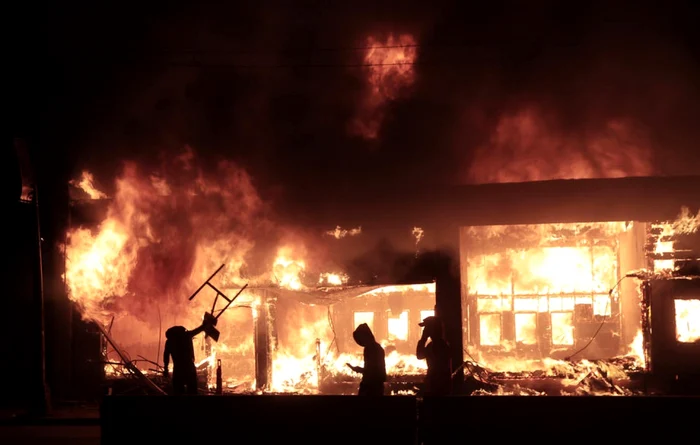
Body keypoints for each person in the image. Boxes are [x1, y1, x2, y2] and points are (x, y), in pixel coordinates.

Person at [163, 318, 210, 395]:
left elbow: (166, 356)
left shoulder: (169, 341)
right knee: (192, 392)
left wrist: (166, 368)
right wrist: (204, 325)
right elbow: (198, 329)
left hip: (178, 370)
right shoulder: (187, 335)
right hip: (189, 368)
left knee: (178, 392)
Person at [345, 323, 387, 396]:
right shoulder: (377, 347)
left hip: (371, 386)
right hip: (376, 385)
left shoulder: (370, 349)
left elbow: (372, 371)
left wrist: (358, 369)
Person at [416, 315, 452, 396]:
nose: (424, 330)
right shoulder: (437, 344)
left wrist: (423, 338)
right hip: (438, 384)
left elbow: (420, 355)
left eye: (426, 328)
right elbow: (420, 356)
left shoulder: (437, 345)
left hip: (437, 386)